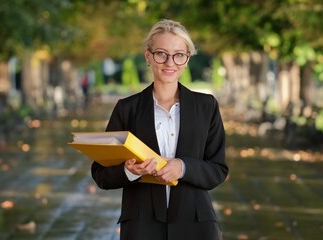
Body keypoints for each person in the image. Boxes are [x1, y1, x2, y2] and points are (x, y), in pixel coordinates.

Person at [91, 19, 229, 240]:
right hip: (140, 226)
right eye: (161, 54)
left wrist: (183, 168)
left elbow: (218, 170)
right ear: (148, 56)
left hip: (196, 225)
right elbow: (101, 174)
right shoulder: (127, 109)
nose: (169, 62)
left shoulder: (206, 106)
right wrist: (129, 172)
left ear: (186, 59)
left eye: (178, 55)